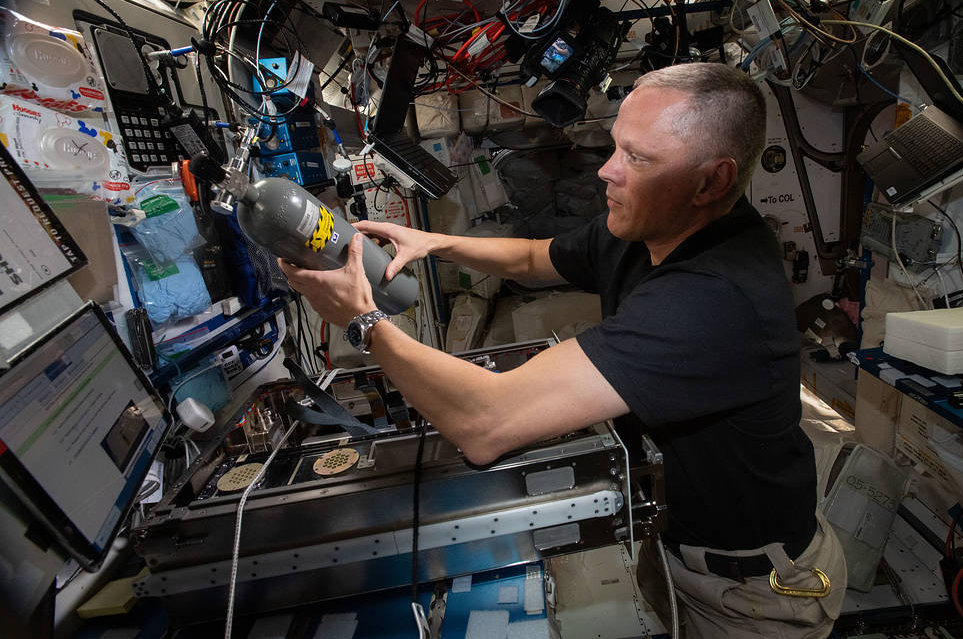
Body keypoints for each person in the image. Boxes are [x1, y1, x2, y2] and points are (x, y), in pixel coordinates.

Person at [279, 62, 847, 637]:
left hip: (749, 593)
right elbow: (534, 257)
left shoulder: (714, 299)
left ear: (711, 182)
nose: (606, 171)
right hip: (680, 547)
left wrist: (362, 322)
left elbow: (484, 424)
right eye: (615, 147)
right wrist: (436, 243)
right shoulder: (655, 223)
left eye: (638, 159)